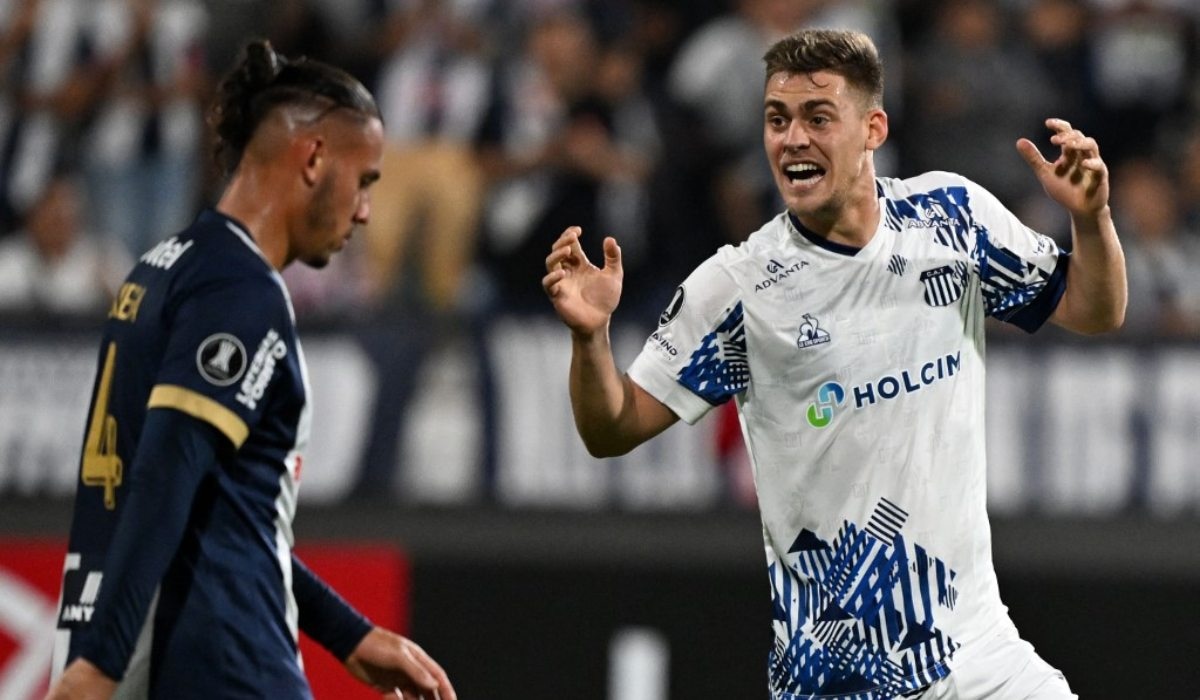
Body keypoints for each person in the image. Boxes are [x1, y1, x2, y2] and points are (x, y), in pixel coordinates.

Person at [543, 29, 1125, 699]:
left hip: (984, 655)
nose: (792, 139)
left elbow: (1093, 308)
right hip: (840, 677)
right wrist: (590, 340)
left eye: (818, 118)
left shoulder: (953, 218)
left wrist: (1092, 220)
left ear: (872, 127)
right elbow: (610, 428)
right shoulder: (739, 288)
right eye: (777, 120)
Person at [46, 40, 456, 700]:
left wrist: (345, 631)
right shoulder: (240, 294)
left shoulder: (163, 268)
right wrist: (99, 664)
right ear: (315, 159)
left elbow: (217, 507)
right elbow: (165, 474)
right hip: (223, 660)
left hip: (154, 652)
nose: (364, 211)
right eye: (365, 181)